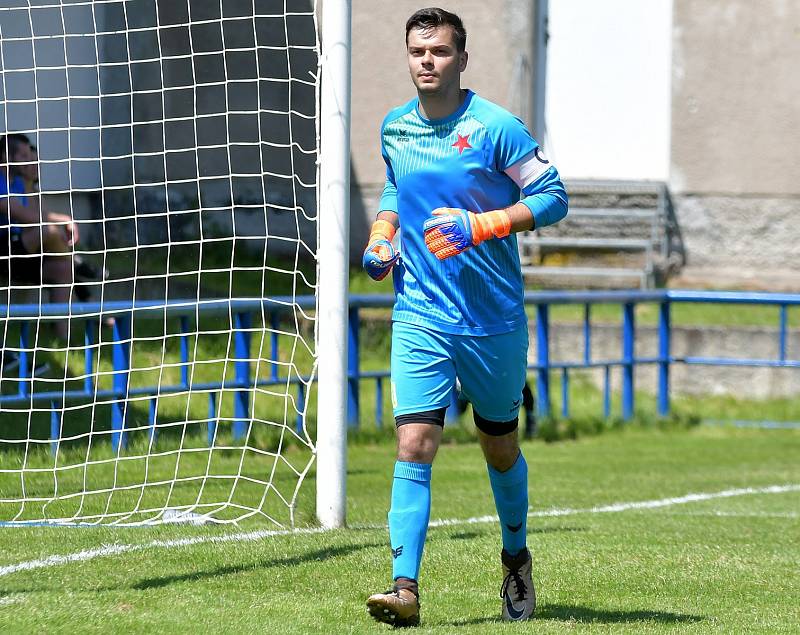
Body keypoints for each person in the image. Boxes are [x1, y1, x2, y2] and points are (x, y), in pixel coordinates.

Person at [362, 8, 568, 626]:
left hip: (493, 320)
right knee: (414, 441)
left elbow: (554, 196)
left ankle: (515, 559)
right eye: (418, 52)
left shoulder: (495, 127)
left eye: (441, 52)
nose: (428, 61)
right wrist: (380, 234)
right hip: (420, 311)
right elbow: (397, 190)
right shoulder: (395, 127)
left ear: (462, 59)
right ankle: (405, 588)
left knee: (498, 448)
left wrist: (482, 225)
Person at [0, 133, 79, 339]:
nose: (29, 161)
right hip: (3, 250)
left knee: (63, 269)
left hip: (18, 252)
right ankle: (79, 265)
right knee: (48, 231)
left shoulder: (17, 184)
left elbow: (37, 214)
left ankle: (63, 340)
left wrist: (65, 219)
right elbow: (22, 214)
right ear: (7, 156)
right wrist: (55, 227)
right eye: (24, 156)